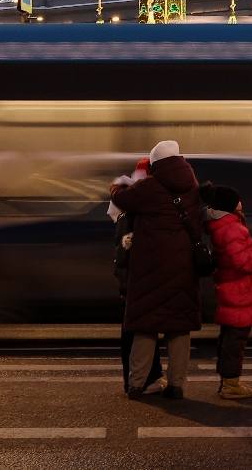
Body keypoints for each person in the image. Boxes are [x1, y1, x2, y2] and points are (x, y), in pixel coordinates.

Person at [110, 140, 202, 400]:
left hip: (150, 268)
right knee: (179, 328)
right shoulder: (193, 187)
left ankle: (137, 384)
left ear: (155, 163)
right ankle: (176, 385)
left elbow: (121, 199)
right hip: (183, 268)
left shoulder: (149, 186)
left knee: (145, 325)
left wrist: (117, 186)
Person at [201, 182, 252, 400]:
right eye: (239, 201)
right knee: (234, 342)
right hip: (238, 293)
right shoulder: (231, 228)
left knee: (231, 340)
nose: (242, 204)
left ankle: (228, 382)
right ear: (231, 205)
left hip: (235, 290)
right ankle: (230, 385)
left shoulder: (226, 225)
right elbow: (244, 263)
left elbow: (239, 260)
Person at [110, 157, 166, 395]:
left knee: (138, 328)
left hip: (130, 278)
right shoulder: (136, 210)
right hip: (137, 279)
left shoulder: (128, 207)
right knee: (140, 329)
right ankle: (141, 380)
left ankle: (142, 377)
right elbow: (128, 248)